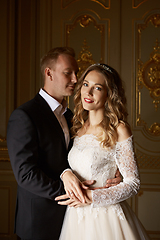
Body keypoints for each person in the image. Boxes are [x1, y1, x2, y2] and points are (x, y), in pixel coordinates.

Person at [7, 48, 121, 240]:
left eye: (76, 73)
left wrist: (114, 173)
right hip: (40, 221)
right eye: (68, 73)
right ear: (49, 73)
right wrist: (71, 192)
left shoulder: (73, 117)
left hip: (75, 220)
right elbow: (25, 174)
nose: (75, 80)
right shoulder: (25, 116)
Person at [55, 63, 151, 240]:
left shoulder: (119, 129)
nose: (88, 92)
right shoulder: (77, 126)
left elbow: (133, 183)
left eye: (97, 88)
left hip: (106, 217)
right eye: (85, 84)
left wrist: (92, 196)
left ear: (109, 94)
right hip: (76, 217)